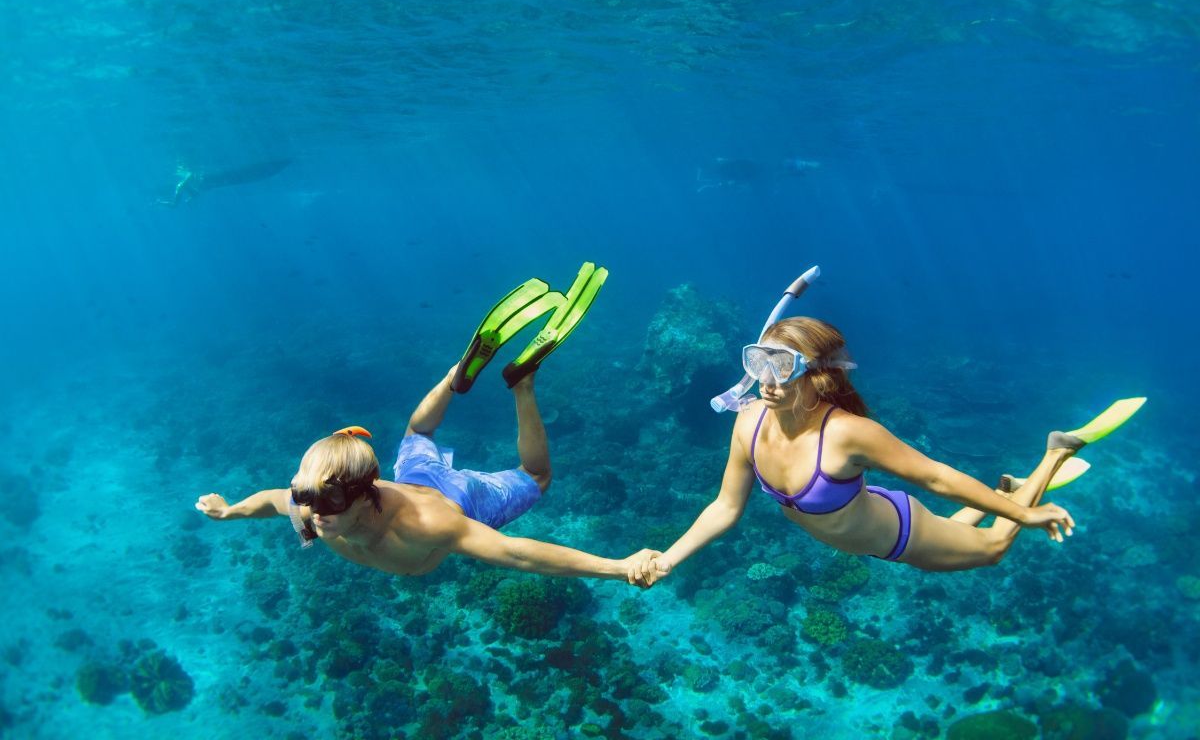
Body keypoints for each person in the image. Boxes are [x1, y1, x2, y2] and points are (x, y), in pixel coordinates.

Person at [197, 265, 657, 584]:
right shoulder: (312, 510)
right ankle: (457, 372)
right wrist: (230, 511)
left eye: (330, 497)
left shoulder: (428, 527)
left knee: (537, 476)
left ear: (364, 490)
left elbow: (520, 553)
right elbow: (270, 500)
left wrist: (617, 567)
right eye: (305, 493)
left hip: (455, 496)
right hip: (414, 477)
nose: (314, 510)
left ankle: (523, 384)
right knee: (417, 435)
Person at [632, 316, 1143, 584]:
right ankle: (1007, 490)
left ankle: (1052, 454)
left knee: (991, 550)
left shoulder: (848, 433)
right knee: (953, 537)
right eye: (759, 361)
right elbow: (724, 507)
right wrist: (672, 559)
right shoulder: (746, 423)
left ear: (820, 375)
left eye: (782, 366)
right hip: (877, 533)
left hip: (898, 533)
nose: (766, 380)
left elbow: (937, 478)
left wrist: (1020, 516)